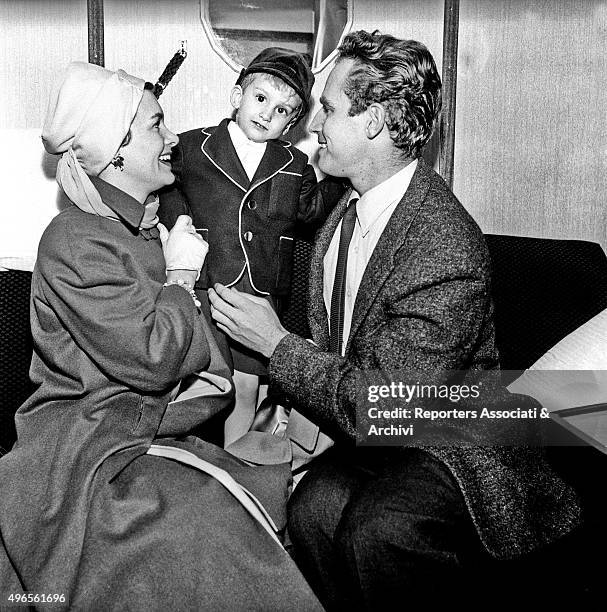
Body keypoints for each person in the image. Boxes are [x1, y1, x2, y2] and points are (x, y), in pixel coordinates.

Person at [209, 30, 581, 609]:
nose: (314, 126)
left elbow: (388, 405)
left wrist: (275, 345)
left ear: (374, 122)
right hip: (390, 435)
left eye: (329, 110)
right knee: (311, 511)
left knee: (381, 529)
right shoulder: (345, 209)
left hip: (462, 438)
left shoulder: (442, 244)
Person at [0, 61, 322, 611]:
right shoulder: (79, 241)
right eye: (156, 125)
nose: (173, 137)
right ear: (117, 148)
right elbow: (152, 359)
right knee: (206, 530)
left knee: (250, 507)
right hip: (84, 451)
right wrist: (178, 278)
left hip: (139, 433)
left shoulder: (133, 226)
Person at [159, 47, 344, 447]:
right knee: (204, 379)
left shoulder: (294, 164)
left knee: (246, 387)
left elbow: (311, 210)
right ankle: (189, 461)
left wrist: (344, 178)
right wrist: (179, 224)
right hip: (206, 286)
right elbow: (164, 184)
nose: (266, 114)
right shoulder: (192, 146)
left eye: (282, 110)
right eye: (261, 99)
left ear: (293, 122)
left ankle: (236, 466)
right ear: (237, 96)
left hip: (260, 294)